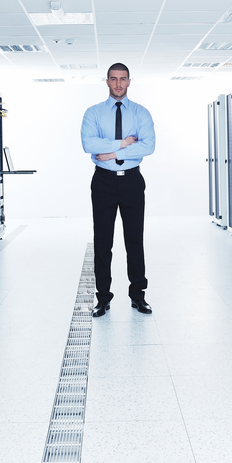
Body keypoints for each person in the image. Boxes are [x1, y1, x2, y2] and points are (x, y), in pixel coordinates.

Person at [80, 63, 155, 317]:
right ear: (107, 81)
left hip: (132, 181)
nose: (119, 84)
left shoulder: (141, 113)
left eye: (123, 79)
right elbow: (88, 143)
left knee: (135, 240)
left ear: (129, 81)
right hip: (104, 182)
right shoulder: (93, 113)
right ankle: (102, 298)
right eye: (114, 79)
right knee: (103, 241)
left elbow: (148, 146)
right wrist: (124, 142)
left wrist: (112, 151)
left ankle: (138, 296)